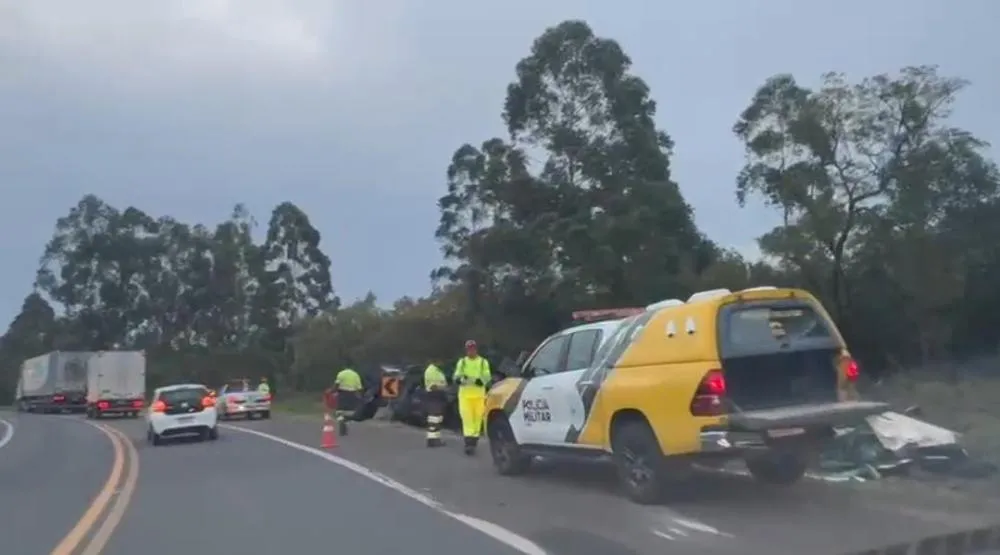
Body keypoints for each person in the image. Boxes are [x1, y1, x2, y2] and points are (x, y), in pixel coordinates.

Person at [453, 339, 491, 455]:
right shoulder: (462, 362)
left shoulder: (483, 362)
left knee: (477, 419)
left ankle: (474, 441)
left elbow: (487, 376)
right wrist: (460, 379)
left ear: (476, 349)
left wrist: (480, 381)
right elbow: (456, 376)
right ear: (466, 350)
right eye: (469, 349)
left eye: (473, 348)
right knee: (467, 419)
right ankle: (469, 443)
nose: (471, 351)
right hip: (465, 396)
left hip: (479, 396)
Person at [423, 358, 449, 448]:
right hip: (434, 396)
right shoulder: (431, 370)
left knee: (437, 419)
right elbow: (433, 386)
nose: (442, 362)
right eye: (440, 360)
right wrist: (444, 388)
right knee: (433, 419)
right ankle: (432, 440)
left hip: (438, 396)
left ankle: (436, 439)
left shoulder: (437, 370)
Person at [334, 363, 364, 436]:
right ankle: (345, 421)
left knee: (339, 411)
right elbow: (359, 388)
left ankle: (342, 422)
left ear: (344, 366)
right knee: (349, 412)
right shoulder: (355, 375)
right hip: (352, 395)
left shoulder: (341, 373)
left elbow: (337, 385)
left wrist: (334, 392)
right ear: (352, 366)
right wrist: (360, 396)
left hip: (342, 394)